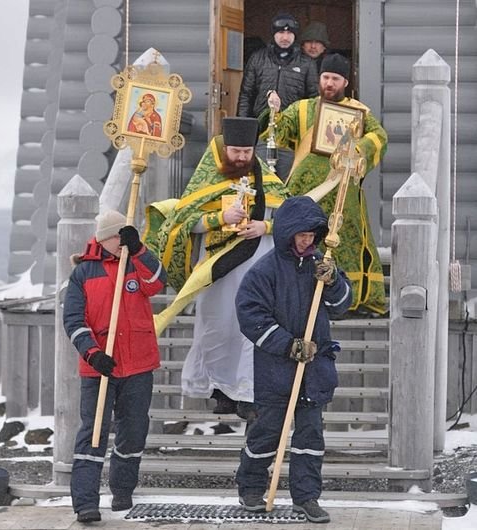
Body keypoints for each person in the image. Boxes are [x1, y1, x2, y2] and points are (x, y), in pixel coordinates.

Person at [149, 117, 289, 419]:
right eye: (236, 151)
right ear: (225, 148)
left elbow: (289, 222)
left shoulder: (268, 182)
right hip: (217, 271)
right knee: (217, 328)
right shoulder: (205, 181)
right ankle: (217, 390)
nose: (241, 158)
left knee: (248, 330)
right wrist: (220, 218)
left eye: (247, 152)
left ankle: (246, 393)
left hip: (256, 270)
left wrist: (263, 226)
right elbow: (182, 224)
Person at [235, 195, 352, 523]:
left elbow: (342, 305)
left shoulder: (321, 266)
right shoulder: (264, 272)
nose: (308, 239)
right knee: (266, 433)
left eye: (312, 233)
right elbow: (250, 316)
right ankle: (251, 487)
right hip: (276, 370)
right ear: (287, 233)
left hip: (314, 372)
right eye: (301, 234)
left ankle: (306, 496)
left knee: (310, 438)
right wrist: (289, 345)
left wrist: (333, 282)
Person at [263, 53, 388, 315]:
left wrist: (358, 148)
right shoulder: (303, 109)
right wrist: (273, 110)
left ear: (345, 81)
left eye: (335, 78)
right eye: (325, 77)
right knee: (302, 241)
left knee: (348, 240)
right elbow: (280, 132)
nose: (329, 83)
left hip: (343, 192)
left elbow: (379, 137)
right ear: (319, 79)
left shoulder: (358, 112)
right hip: (306, 193)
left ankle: (348, 300)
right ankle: (300, 297)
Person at [63, 210, 167, 523]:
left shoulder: (135, 260)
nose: (121, 242)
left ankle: (122, 491)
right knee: (93, 435)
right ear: (104, 237)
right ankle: (85, 503)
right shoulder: (84, 272)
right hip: (99, 368)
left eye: (125, 236)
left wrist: (139, 250)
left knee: (133, 431)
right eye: (117, 236)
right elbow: (73, 320)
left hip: (137, 363)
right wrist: (93, 353)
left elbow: (158, 282)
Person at [237, 14, 319, 180]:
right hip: (261, 133)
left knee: (288, 182)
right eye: (280, 32)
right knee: (261, 181)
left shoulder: (306, 63)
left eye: (289, 33)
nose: (285, 37)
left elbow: (314, 100)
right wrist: (243, 133)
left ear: (295, 36)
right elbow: (246, 95)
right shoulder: (257, 59)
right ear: (273, 34)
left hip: (291, 138)